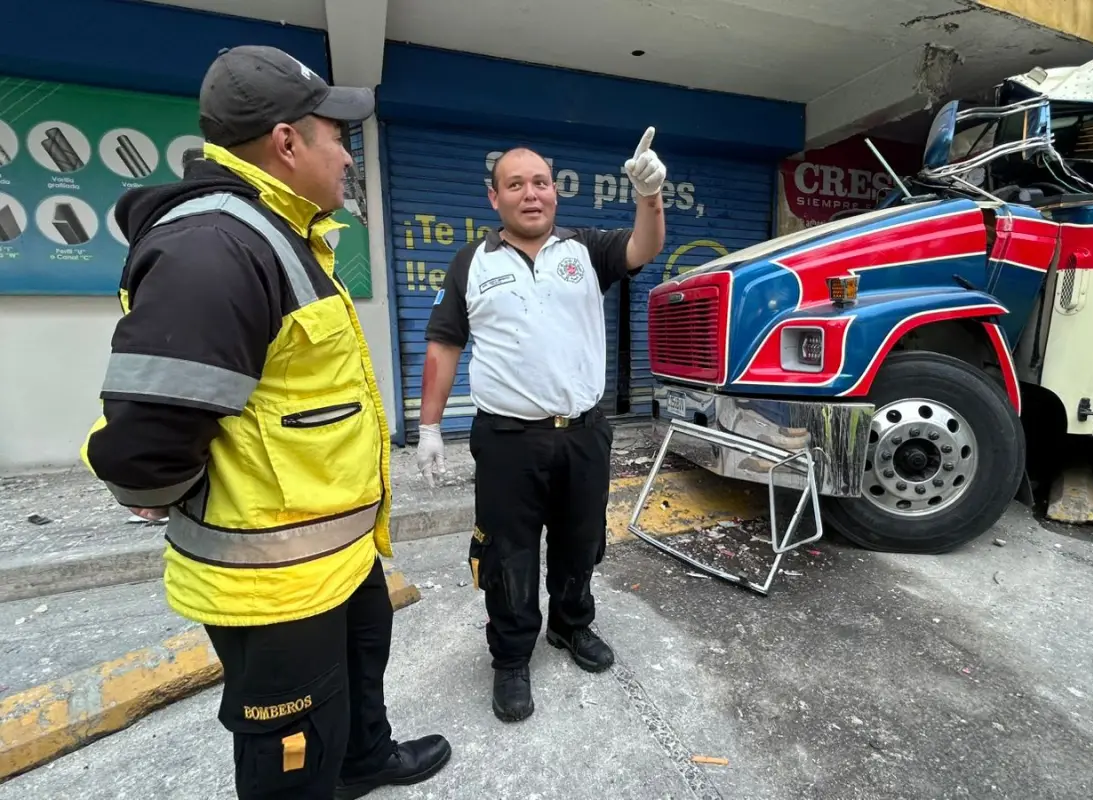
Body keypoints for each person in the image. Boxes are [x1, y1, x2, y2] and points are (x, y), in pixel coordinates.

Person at [80, 45, 450, 799]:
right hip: (272, 581)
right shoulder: (216, 246)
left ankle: (363, 760)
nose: (347, 155)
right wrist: (166, 485)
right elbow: (145, 445)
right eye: (335, 135)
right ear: (287, 142)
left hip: (334, 560)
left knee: (355, 681)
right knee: (290, 749)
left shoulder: (283, 232)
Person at [416, 131, 667, 721]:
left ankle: (571, 626)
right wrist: (428, 427)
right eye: (516, 184)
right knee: (509, 553)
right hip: (507, 439)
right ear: (493, 197)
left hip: (583, 432)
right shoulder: (471, 264)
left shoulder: (586, 249)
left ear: (554, 192)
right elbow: (443, 346)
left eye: (541, 182)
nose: (532, 194)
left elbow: (644, 247)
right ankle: (509, 658)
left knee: (581, 541)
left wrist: (650, 195)